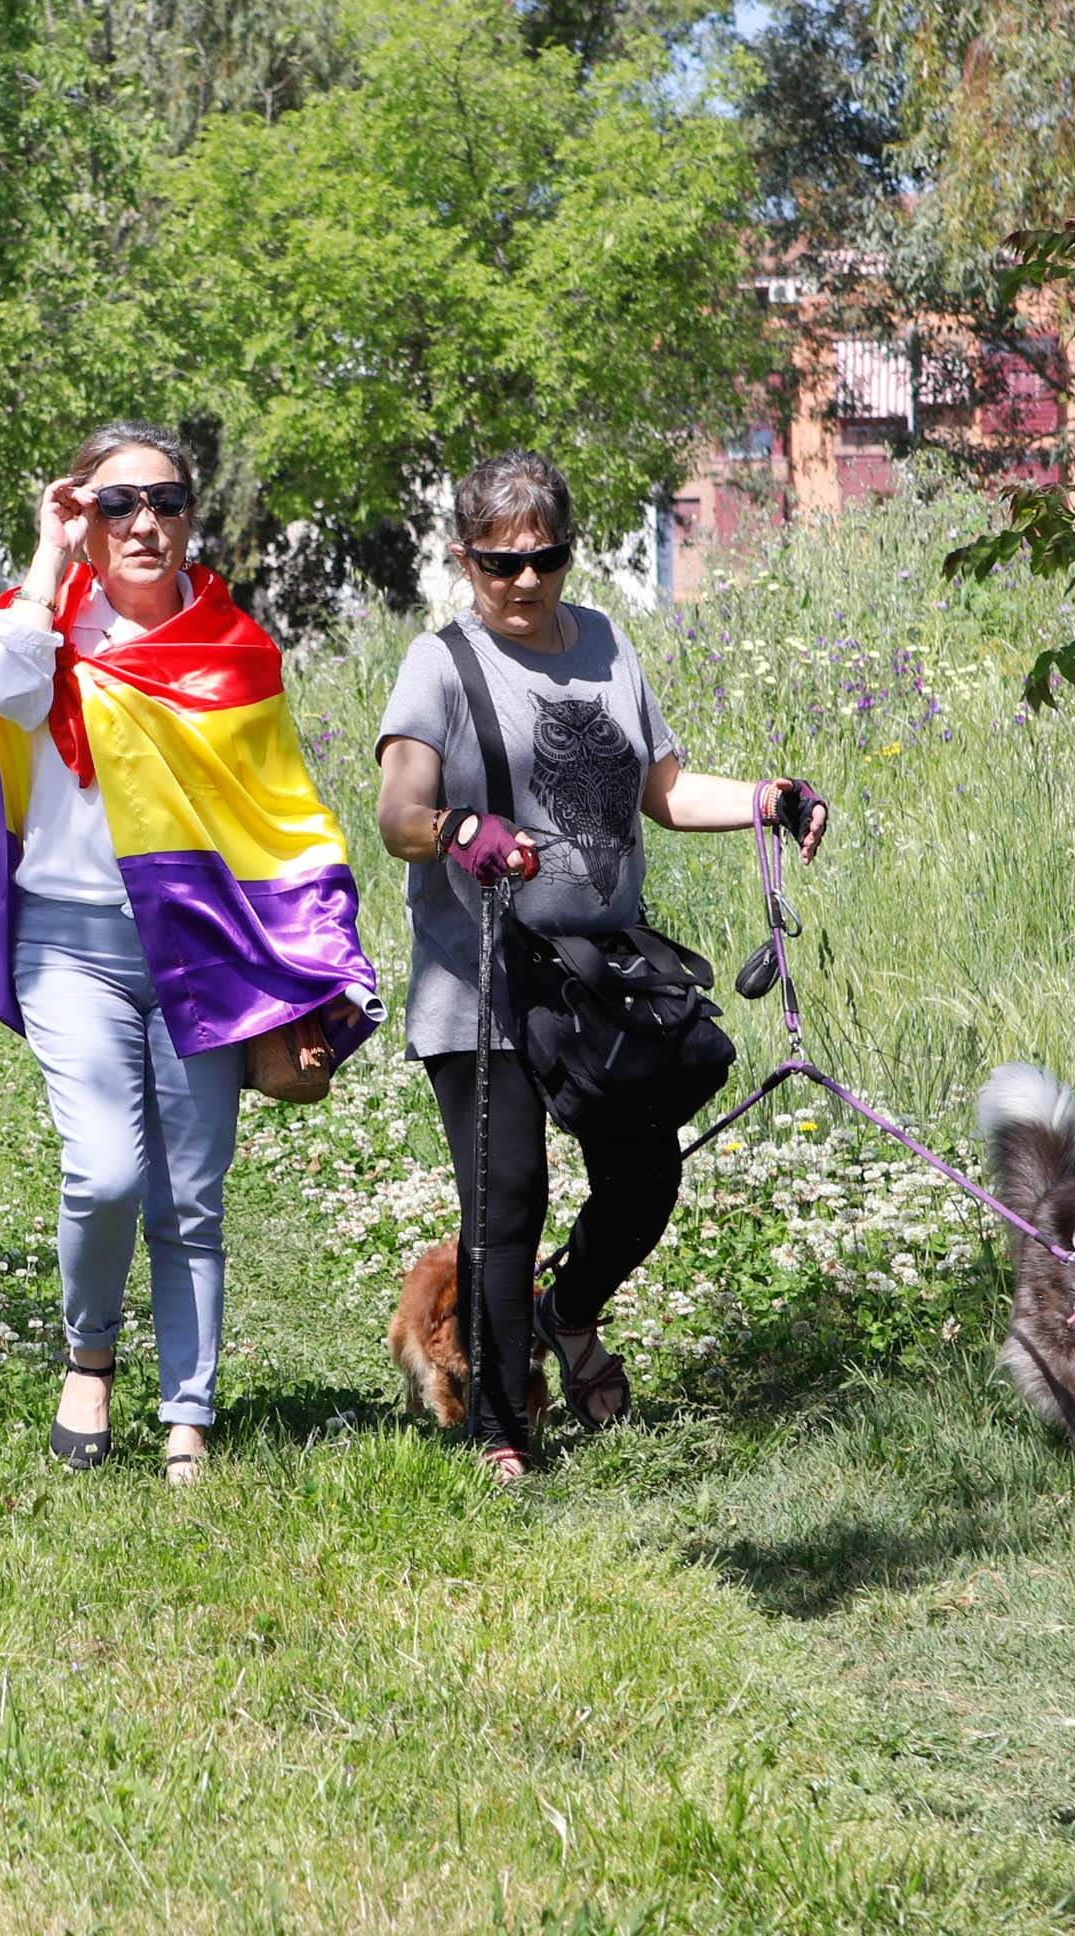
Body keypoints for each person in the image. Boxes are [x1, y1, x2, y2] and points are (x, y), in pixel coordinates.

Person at [0, 421, 380, 1483]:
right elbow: (1, 699)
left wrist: (313, 934)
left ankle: (187, 1414)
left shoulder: (234, 648)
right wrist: (46, 555)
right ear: (82, 515)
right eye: (115, 504)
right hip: (69, 942)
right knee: (105, 1170)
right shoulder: (40, 629)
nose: (142, 522)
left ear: (191, 515)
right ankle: (88, 1358)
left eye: (164, 500)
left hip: (200, 945)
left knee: (192, 1192)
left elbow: (278, 811)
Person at [373, 450, 829, 1482]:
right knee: (508, 1197)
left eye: (545, 558)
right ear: (464, 558)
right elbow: (398, 813)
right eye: (498, 564)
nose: (524, 582)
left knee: (644, 1177)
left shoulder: (608, 646)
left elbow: (663, 792)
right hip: (481, 980)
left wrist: (768, 797)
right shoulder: (437, 665)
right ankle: (499, 1428)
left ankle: (563, 1313)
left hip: (596, 980)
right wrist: (457, 828)